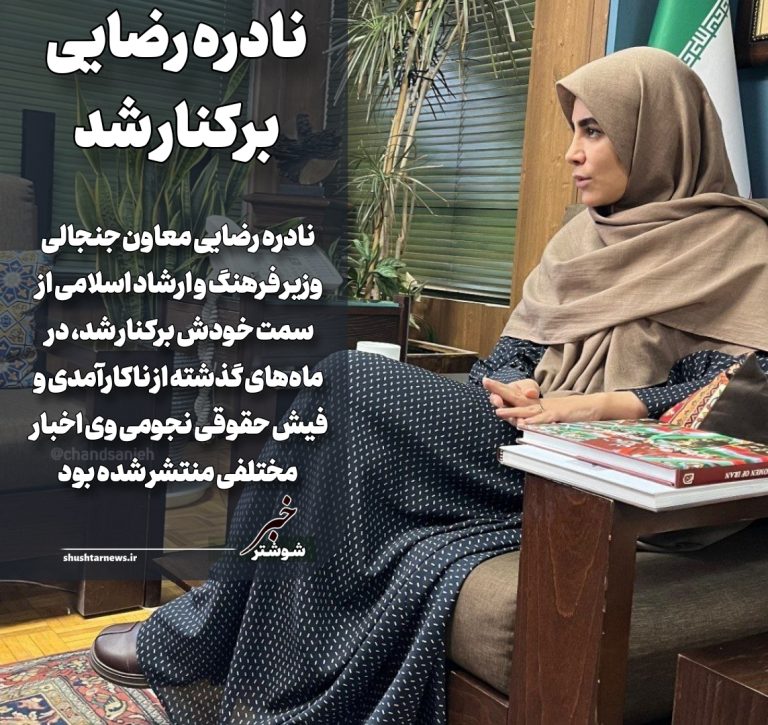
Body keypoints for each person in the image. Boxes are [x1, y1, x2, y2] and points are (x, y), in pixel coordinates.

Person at [90, 47, 768, 723]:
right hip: (516, 434)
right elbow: (511, 353)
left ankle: (210, 624)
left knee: (345, 382)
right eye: (572, 130)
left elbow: (731, 393)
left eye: (594, 130)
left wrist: (593, 405)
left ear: (659, 133)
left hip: (604, 461)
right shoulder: (580, 239)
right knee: (329, 423)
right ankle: (236, 628)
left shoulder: (739, 247)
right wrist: (515, 383)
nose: (572, 152)